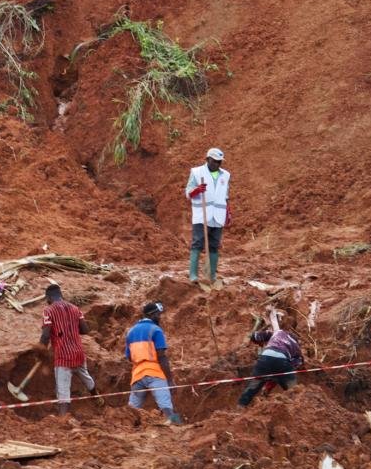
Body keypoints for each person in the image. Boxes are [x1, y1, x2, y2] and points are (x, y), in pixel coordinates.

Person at [40, 284, 102, 414]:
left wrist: (41, 350)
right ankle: (98, 399)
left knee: (63, 392)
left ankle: (63, 419)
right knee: (86, 377)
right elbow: (85, 330)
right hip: (78, 353)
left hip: (63, 356)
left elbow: (45, 334)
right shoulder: (75, 308)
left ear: (49, 298)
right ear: (61, 295)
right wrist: (71, 328)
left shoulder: (48, 311)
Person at [125, 302, 182, 424]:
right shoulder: (156, 330)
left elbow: (129, 357)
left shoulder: (130, 332)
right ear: (152, 315)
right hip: (154, 372)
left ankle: (128, 429)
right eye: (158, 314)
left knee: (132, 410)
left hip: (137, 375)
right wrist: (170, 380)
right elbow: (162, 356)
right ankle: (177, 426)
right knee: (166, 406)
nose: (160, 317)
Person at [185, 148, 231, 284]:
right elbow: (188, 193)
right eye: (214, 161)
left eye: (219, 162)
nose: (217, 164)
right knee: (198, 243)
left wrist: (228, 212)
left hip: (218, 215)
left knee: (214, 245)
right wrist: (196, 190)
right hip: (202, 214)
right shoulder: (197, 172)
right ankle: (193, 275)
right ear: (207, 160)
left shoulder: (226, 175)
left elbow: (226, 195)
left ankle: (211, 276)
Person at [238, 314, 304, 407]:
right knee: (293, 390)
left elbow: (255, 336)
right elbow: (297, 361)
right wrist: (288, 368)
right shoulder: (295, 343)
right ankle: (297, 406)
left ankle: (241, 407)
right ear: (294, 330)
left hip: (265, 358)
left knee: (252, 387)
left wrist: (256, 340)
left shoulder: (275, 333)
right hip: (282, 361)